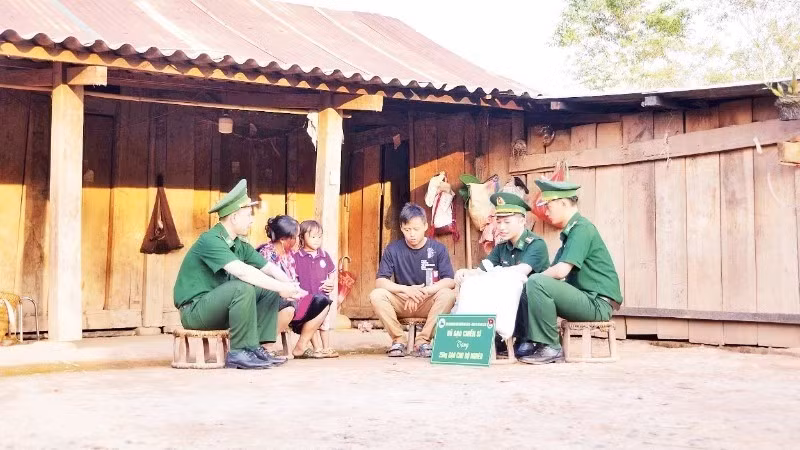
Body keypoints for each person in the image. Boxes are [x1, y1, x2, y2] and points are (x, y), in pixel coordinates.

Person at [173, 179, 307, 370]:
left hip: (220, 308)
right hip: (195, 311)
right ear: (234, 217)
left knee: (268, 289)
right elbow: (242, 272)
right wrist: (282, 288)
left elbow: (269, 268)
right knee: (243, 287)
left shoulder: (239, 243)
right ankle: (238, 353)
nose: (252, 220)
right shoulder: (211, 240)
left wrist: (292, 286)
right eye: (248, 215)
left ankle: (256, 348)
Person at [520, 180, 623, 365]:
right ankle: (532, 341)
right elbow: (552, 272)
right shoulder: (571, 232)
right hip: (587, 299)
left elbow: (560, 271)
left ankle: (551, 347)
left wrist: (532, 279)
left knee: (535, 282)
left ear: (563, 203)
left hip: (598, 303)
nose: (546, 211)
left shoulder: (582, 228)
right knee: (532, 284)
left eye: (548, 206)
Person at [455, 192, 550, 357]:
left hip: (532, 309)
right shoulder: (501, 247)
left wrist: (494, 273)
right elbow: (482, 270)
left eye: (507, 222)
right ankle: (486, 334)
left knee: (522, 289)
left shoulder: (536, 245)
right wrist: (466, 273)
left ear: (522, 221)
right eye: (498, 222)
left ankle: (527, 338)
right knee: (477, 286)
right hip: (510, 306)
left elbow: (521, 271)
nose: (501, 227)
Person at [369, 203, 457, 358]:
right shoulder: (393, 249)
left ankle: (423, 341)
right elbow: (380, 281)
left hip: (427, 300)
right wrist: (406, 290)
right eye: (407, 229)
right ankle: (398, 340)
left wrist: (424, 291)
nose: (412, 234)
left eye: (416, 229)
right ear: (401, 228)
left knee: (448, 295)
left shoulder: (438, 249)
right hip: (403, 301)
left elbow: (449, 281)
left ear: (425, 226)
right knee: (377, 295)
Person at [257, 215, 330, 359]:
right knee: (289, 306)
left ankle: (301, 346)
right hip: (269, 303)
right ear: (283, 239)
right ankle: (265, 345)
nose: (298, 240)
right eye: (295, 237)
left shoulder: (289, 255)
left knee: (323, 302)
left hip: (289, 298)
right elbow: (266, 285)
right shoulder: (266, 253)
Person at [294, 220, 339, 358]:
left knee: (325, 324)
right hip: (307, 300)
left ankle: (326, 347)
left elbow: (332, 272)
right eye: (313, 237)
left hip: (323, 297)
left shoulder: (324, 255)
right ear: (302, 237)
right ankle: (317, 348)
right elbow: (294, 278)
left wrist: (331, 282)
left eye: (319, 237)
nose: (317, 240)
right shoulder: (297, 257)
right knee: (312, 323)